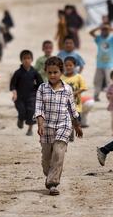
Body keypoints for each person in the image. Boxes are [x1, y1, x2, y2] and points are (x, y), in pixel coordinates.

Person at [35, 56, 83, 195]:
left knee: (58, 152)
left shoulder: (67, 89)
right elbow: (38, 108)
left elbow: (72, 108)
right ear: (45, 72)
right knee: (46, 159)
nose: (52, 75)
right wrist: (40, 124)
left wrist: (77, 125)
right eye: (49, 73)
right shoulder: (42, 88)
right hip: (46, 127)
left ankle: (53, 183)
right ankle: (49, 174)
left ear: (60, 72)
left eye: (55, 72)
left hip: (64, 124)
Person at [11, 50, 45, 136]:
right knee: (21, 111)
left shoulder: (34, 72)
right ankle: (20, 119)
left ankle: (30, 129)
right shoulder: (18, 73)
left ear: (32, 59)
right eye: (24, 58)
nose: (27, 60)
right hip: (19, 97)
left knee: (31, 112)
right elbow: (13, 85)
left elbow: (40, 84)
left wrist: (40, 94)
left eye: (28, 58)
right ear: (21, 60)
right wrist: (14, 94)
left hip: (31, 96)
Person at [90, 24, 113, 101]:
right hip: (99, 64)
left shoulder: (112, 39)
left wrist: (110, 28)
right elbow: (91, 33)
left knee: (109, 81)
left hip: (109, 64)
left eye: (106, 30)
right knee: (97, 81)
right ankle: (96, 96)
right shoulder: (99, 38)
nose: (104, 31)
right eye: (103, 30)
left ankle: (110, 97)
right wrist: (99, 27)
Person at [61, 57, 87, 141]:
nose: (68, 67)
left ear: (75, 66)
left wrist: (74, 93)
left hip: (76, 105)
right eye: (66, 65)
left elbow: (83, 88)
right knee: (67, 119)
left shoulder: (78, 77)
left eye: (70, 65)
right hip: (64, 105)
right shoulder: (61, 77)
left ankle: (73, 131)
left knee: (75, 120)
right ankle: (70, 134)